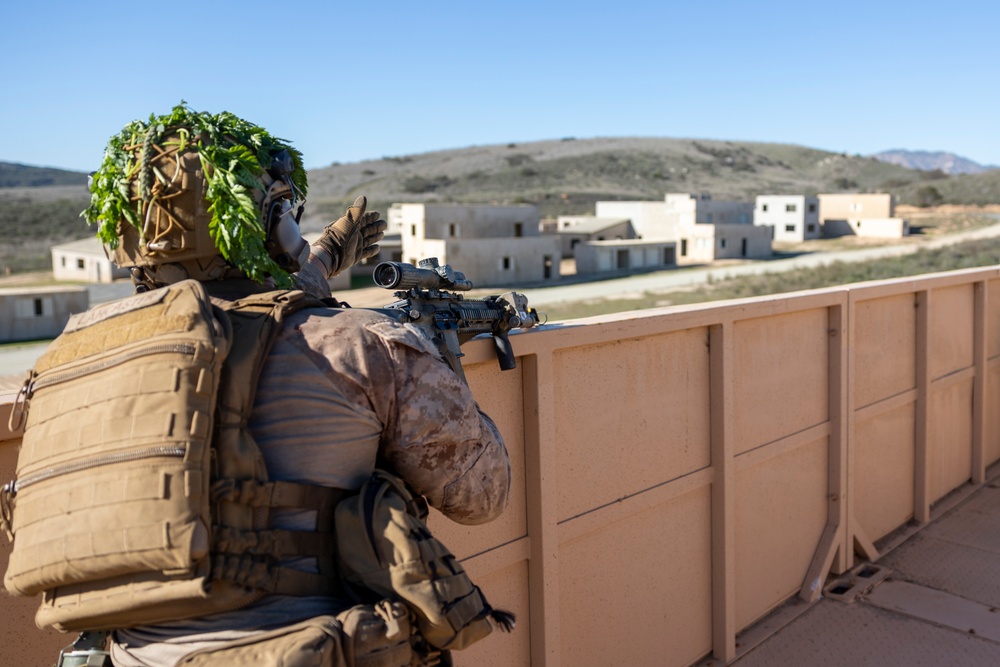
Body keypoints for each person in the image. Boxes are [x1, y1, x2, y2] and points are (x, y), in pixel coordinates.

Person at [79, 106, 511, 666]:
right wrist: (436, 364)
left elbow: (226, 300)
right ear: (272, 221)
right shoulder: (362, 345)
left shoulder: (81, 358)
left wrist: (321, 260)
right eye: (285, 212)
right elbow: (482, 496)